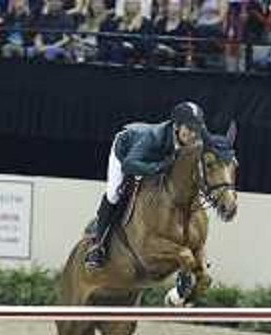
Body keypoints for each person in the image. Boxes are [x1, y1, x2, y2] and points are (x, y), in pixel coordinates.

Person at [84, 101, 207, 270]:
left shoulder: (192, 137)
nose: (193, 134)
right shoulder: (153, 137)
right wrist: (157, 168)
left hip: (154, 159)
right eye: (189, 129)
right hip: (126, 152)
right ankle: (98, 244)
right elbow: (129, 164)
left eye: (197, 130)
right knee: (114, 193)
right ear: (177, 126)